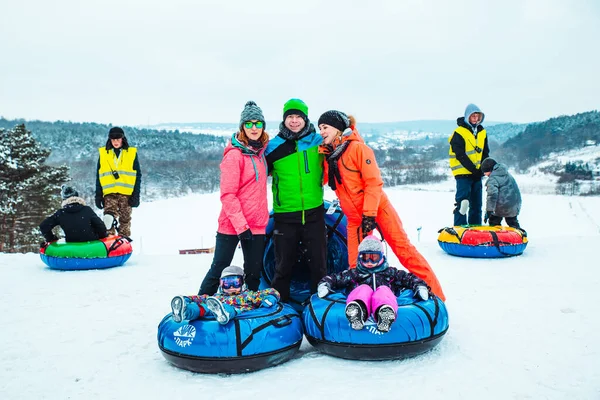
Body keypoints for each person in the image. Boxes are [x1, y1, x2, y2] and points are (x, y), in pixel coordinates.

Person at [318, 110, 446, 301]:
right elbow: (323, 180)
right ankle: (363, 303)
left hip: (377, 209)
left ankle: (436, 297)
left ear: (337, 129)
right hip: (354, 218)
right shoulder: (330, 155)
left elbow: (373, 182)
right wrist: (321, 156)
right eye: (320, 128)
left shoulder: (359, 149)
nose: (321, 132)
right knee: (356, 265)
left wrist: (369, 214)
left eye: (325, 127)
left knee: (404, 251)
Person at [198, 101, 269, 295]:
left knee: (254, 273)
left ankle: (250, 312)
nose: (253, 128)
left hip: (256, 224)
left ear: (263, 126)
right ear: (242, 127)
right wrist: (241, 226)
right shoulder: (234, 155)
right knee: (219, 268)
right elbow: (228, 195)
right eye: (248, 124)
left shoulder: (261, 153)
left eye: (257, 123)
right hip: (232, 224)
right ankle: (199, 306)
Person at [264, 98, 327, 302]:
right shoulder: (273, 147)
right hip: (285, 214)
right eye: (290, 116)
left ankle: (319, 306)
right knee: (283, 265)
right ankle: (279, 306)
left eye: (298, 116)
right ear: (284, 119)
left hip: (314, 211)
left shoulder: (319, 142)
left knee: (318, 263)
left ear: (305, 119)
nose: (294, 121)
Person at [317, 235, 430, 333]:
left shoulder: (390, 273)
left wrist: (420, 286)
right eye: (365, 258)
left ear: (382, 257)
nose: (370, 262)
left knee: (383, 290)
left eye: (374, 258)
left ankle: (385, 314)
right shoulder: (354, 274)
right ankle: (357, 312)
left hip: (385, 300)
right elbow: (335, 278)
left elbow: (409, 278)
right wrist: (325, 284)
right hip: (362, 302)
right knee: (363, 289)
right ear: (360, 257)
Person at [172, 266, 280, 325]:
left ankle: (224, 314)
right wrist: (188, 299)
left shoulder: (248, 295)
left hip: (237, 312)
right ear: (221, 284)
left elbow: (272, 291)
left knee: (230, 309)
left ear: (242, 282)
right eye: (227, 283)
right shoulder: (218, 297)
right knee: (203, 307)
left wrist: (270, 298)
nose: (231, 287)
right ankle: (185, 312)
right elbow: (202, 298)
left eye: (235, 282)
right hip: (214, 306)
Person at [95, 127, 142, 237]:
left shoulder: (131, 153)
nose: (115, 142)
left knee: (125, 220)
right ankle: (109, 242)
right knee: (108, 220)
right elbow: (99, 176)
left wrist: (136, 195)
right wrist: (98, 195)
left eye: (118, 139)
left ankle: (123, 242)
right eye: (113, 139)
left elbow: (137, 175)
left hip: (127, 194)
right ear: (109, 140)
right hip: (109, 193)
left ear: (122, 138)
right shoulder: (103, 153)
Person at [448, 103, 490, 226]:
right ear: (467, 117)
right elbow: (460, 154)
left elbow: (485, 153)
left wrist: (484, 168)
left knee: (477, 205)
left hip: (477, 174)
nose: (476, 119)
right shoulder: (459, 133)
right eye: (473, 116)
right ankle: (459, 230)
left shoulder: (482, 132)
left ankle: (475, 230)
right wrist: (473, 169)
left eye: (478, 117)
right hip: (463, 174)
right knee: (463, 204)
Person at [39, 185, 108, 244]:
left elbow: (43, 226)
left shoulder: (61, 213)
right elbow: (101, 227)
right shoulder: (87, 210)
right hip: (91, 244)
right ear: (77, 196)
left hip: (71, 245)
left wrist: (51, 239)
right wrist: (102, 238)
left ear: (64, 199)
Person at [481, 157, 523, 230]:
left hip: (502, 205)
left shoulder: (493, 179)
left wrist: (489, 211)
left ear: (490, 169)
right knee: (512, 221)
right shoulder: (506, 174)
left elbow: (492, 196)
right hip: (515, 204)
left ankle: (496, 237)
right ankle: (519, 235)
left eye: (485, 172)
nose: (485, 174)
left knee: (494, 221)